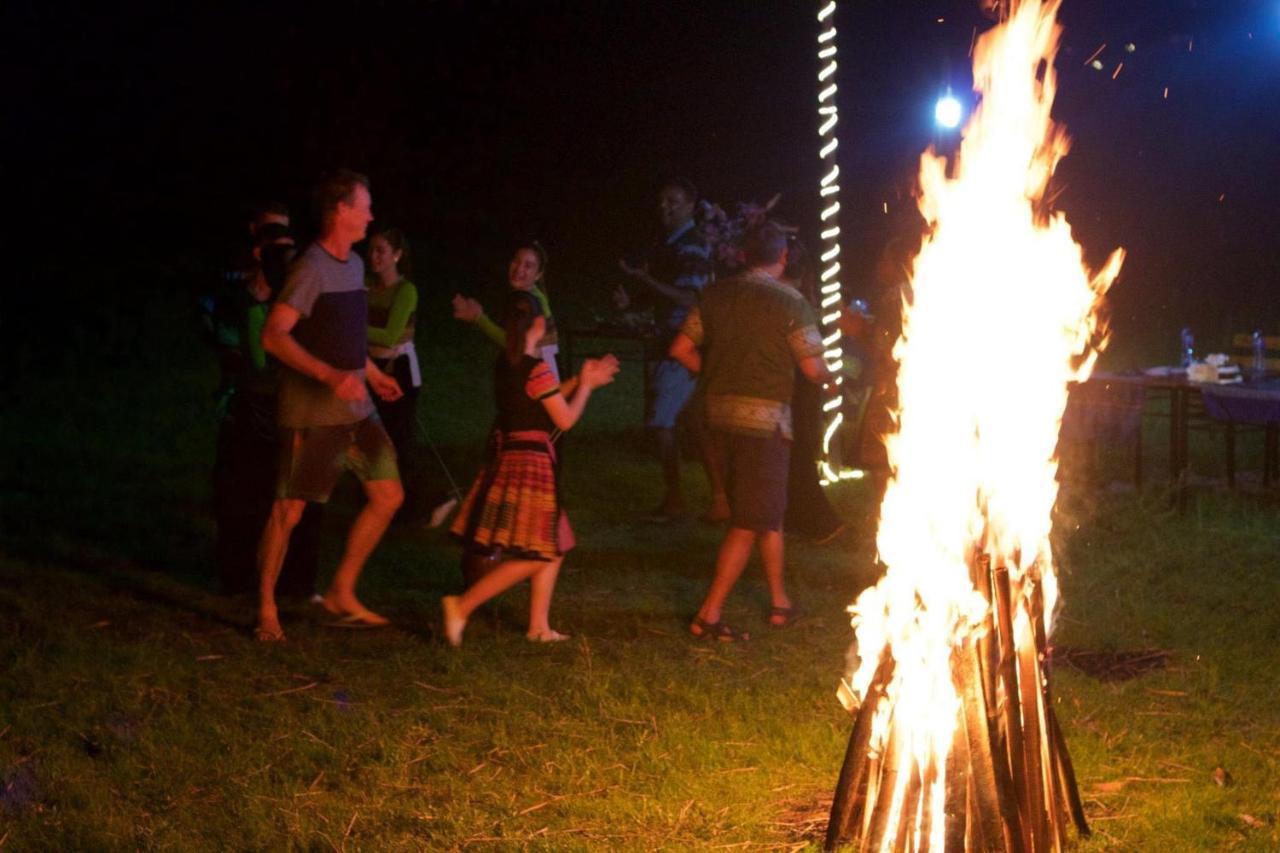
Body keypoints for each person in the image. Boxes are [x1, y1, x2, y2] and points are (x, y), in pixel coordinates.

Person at [254, 169, 405, 642]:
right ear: (341, 210)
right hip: (314, 414)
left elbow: (344, 334)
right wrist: (329, 376)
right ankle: (265, 608)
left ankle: (341, 590)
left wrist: (373, 374)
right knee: (289, 512)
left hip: (358, 409)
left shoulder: (355, 266)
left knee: (388, 495)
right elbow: (273, 335)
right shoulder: (310, 268)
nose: (371, 215)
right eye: (365, 206)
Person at [669, 222, 829, 641]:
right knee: (748, 519)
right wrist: (835, 373)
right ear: (782, 257)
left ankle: (780, 602)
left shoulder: (715, 294)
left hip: (716, 416)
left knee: (765, 511)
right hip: (764, 424)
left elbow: (680, 349)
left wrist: (719, 374)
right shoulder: (791, 302)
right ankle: (709, 613)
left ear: (742, 255)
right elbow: (813, 370)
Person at [443, 294, 619, 646]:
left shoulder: (507, 364)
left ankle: (539, 626)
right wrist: (586, 385)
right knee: (537, 552)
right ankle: (461, 606)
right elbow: (564, 420)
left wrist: (578, 379)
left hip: (511, 458)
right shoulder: (536, 369)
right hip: (530, 466)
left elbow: (538, 396)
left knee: (556, 544)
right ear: (538, 326)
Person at [615, 178, 713, 522]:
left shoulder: (693, 245)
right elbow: (664, 292)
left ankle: (675, 502)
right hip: (666, 342)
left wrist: (644, 281)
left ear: (690, 204)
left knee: (661, 422)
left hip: (682, 345)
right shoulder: (666, 243)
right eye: (662, 200)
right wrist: (633, 301)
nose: (665, 207)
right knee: (694, 423)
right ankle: (721, 499)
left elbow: (690, 298)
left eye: (673, 200)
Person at [781, 237, 844, 542]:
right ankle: (798, 517)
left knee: (799, 453)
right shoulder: (793, 298)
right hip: (795, 383)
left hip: (799, 385)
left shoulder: (793, 301)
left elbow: (808, 351)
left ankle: (819, 521)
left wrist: (824, 375)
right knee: (795, 452)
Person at [452, 241, 560, 379]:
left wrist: (478, 318)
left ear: (538, 274)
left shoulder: (525, 301)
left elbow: (513, 344)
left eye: (528, 266)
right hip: (546, 372)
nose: (519, 269)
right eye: (516, 261)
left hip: (538, 377)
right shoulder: (534, 295)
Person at [366, 227, 420, 463]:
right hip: (371, 364)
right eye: (371, 250)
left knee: (395, 438)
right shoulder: (367, 287)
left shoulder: (406, 290)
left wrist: (351, 331)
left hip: (399, 367)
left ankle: (403, 492)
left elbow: (390, 335)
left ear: (396, 255)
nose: (374, 256)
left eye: (381, 251)